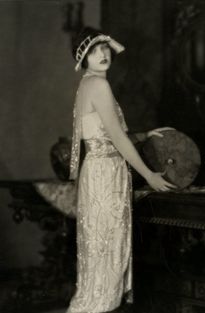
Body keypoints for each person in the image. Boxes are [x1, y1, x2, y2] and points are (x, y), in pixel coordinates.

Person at [67, 27, 175, 313]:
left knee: (102, 254)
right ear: (82, 58)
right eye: (93, 51)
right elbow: (115, 138)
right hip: (105, 175)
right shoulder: (98, 86)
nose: (103, 54)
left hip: (100, 170)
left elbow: (103, 134)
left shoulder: (88, 84)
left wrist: (146, 135)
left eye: (104, 48)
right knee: (106, 254)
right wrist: (149, 175)